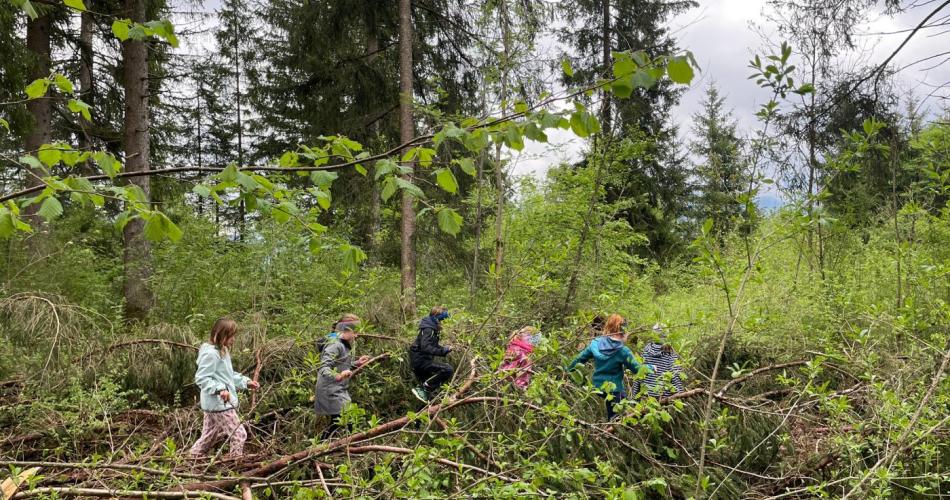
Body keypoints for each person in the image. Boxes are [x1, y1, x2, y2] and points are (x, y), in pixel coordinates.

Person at [189, 318, 260, 458]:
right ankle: (235, 464)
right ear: (221, 335)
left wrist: (246, 382)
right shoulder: (211, 354)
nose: (233, 339)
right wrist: (220, 389)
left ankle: (190, 459)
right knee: (239, 434)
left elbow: (227, 375)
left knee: (208, 437)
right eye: (231, 336)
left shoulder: (222, 351)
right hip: (220, 403)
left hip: (215, 404)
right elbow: (202, 378)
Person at [566, 314, 653, 421]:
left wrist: (568, 371)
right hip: (614, 391)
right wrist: (651, 367)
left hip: (597, 388)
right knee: (621, 418)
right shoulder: (623, 351)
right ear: (623, 332)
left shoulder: (595, 343)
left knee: (613, 416)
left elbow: (579, 359)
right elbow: (637, 369)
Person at [315, 317, 370, 440]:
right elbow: (324, 367)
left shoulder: (343, 344)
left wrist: (357, 363)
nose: (356, 336)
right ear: (347, 330)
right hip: (329, 389)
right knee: (346, 418)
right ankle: (349, 444)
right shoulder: (335, 345)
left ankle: (323, 446)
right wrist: (338, 375)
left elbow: (341, 365)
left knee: (338, 421)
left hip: (337, 388)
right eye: (354, 333)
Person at [409, 306, 454, 403]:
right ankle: (426, 386)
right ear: (436, 317)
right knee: (448, 369)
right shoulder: (428, 329)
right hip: (420, 361)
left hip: (422, 360)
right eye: (442, 319)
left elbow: (433, 345)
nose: (442, 322)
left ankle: (419, 416)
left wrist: (445, 349)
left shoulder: (432, 329)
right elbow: (425, 347)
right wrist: (442, 351)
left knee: (427, 397)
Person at [633, 324, 684, 397]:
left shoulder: (645, 351)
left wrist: (634, 396)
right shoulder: (670, 353)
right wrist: (681, 394)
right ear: (666, 335)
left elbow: (638, 374)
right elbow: (676, 375)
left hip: (646, 397)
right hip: (663, 397)